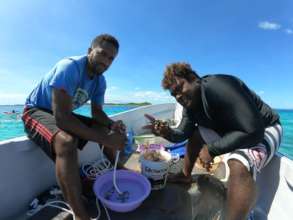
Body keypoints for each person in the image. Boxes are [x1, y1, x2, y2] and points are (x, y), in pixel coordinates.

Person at [144, 62, 282, 220]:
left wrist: (212, 150)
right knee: (196, 134)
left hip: (265, 127)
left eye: (180, 88)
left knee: (238, 162)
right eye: (174, 94)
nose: (178, 97)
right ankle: (184, 175)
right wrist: (165, 131)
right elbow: (182, 134)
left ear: (194, 78)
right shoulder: (190, 107)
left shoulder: (219, 85)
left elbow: (254, 131)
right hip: (232, 130)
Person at [22, 34, 127, 220]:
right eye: (102, 54)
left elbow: (97, 114)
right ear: (89, 51)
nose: (106, 61)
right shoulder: (69, 67)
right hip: (36, 110)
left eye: (111, 58)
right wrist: (106, 139)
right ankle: (80, 214)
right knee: (67, 142)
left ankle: (118, 169)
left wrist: (112, 125)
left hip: (60, 112)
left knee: (103, 128)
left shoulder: (100, 81)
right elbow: (62, 118)